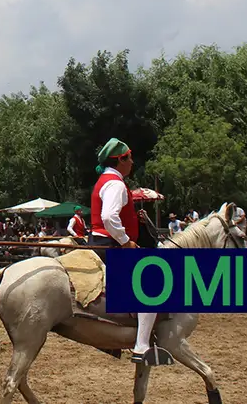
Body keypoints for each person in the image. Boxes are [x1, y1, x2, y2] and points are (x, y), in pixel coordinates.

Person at [88, 138, 171, 367]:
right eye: (129, 158)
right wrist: (125, 241)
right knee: (153, 286)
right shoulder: (115, 184)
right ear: (120, 160)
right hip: (111, 245)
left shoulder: (105, 180)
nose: (132, 162)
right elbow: (108, 217)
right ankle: (141, 346)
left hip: (100, 241)